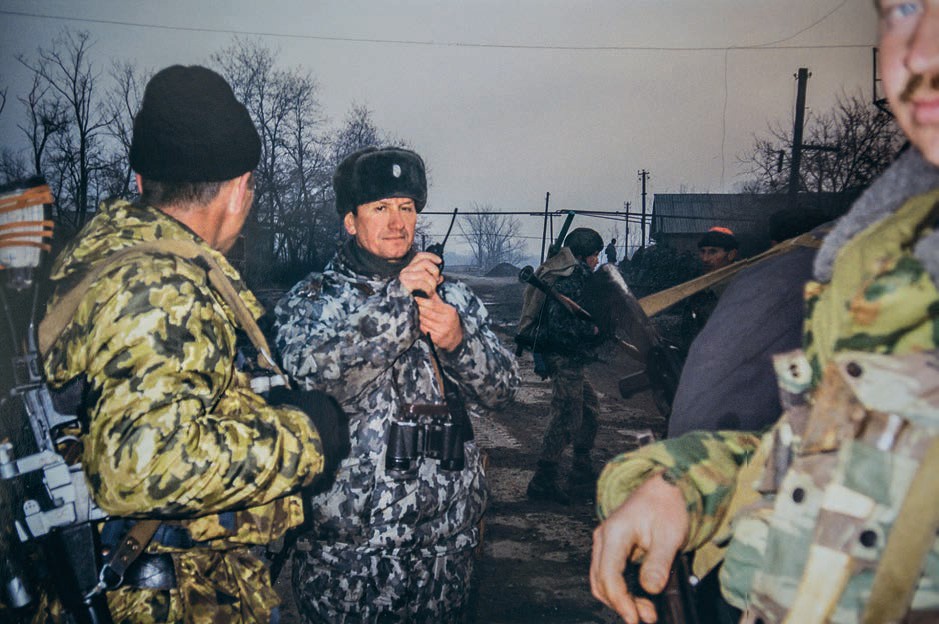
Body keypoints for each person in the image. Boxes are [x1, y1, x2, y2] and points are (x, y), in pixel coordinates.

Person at [591, 2, 939, 623]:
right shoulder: (873, 258)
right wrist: (683, 485)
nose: (920, 51)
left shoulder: (829, 268)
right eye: (903, 9)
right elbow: (831, 451)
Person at [36, 65, 348, 622]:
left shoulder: (111, 260)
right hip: (164, 599)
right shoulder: (160, 288)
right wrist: (305, 436)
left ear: (141, 182)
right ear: (238, 190)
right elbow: (141, 466)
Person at [274, 146, 519, 623]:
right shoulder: (312, 301)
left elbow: (504, 391)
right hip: (348, 562)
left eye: (406, 207)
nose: (396, 222)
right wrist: (399, 304)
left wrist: (460, 343)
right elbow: (313, 382)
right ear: (351, 221)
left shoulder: (453, 296)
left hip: (444, 555)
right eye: (380, 207)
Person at [521, 227, 605, 505]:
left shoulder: (569, 274)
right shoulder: (572, 278)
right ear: (582, 255)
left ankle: (581, 468)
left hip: (571, 357)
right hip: (563, 356)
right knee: (567, 415)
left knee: (589, 409)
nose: (597, 260)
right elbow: (560, 327)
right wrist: (592, 331)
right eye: (594, 255)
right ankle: (543, 480)